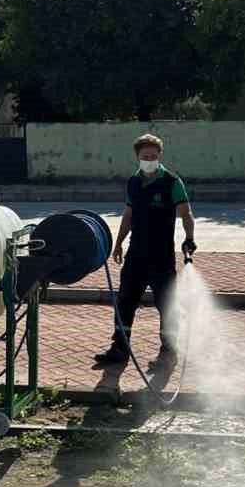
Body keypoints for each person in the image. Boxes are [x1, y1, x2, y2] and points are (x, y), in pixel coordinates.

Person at [93, 133, 196, 369]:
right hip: (136, 255)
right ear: (137, 157)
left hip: (161, 257)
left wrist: (190, 238)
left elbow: (186, 213)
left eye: (153, 156)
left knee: (166, 305)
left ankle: (169, 353)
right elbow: (128, 215)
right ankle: (119, 349)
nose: (149, 159)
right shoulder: (133, 182)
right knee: (125, 302)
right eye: (144, 156)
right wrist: (119, 243)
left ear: (160, 156)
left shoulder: (171, 182)